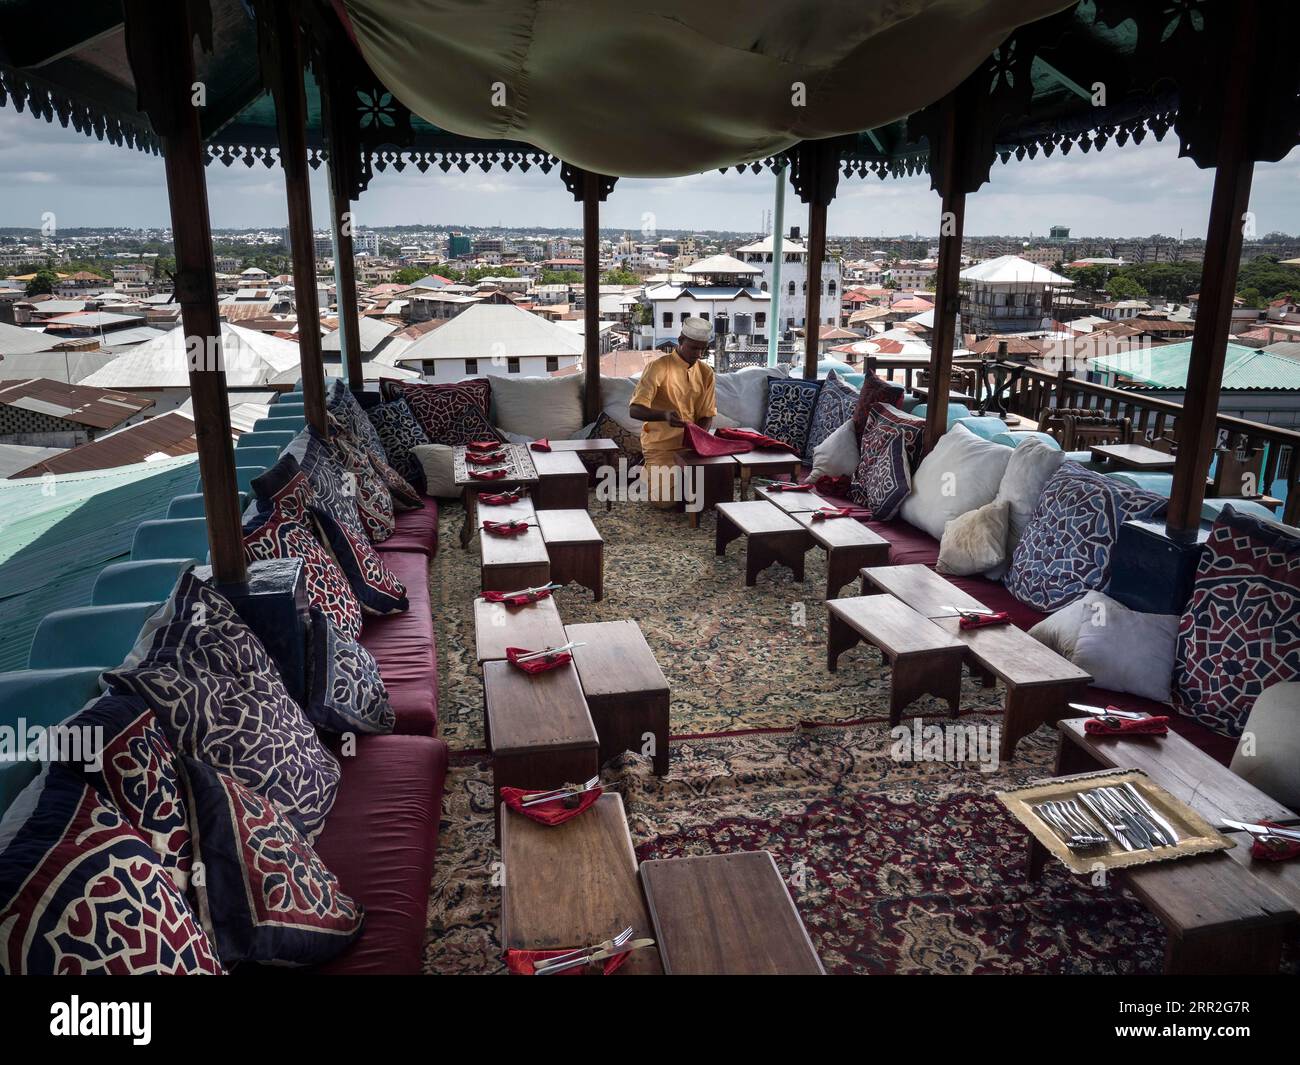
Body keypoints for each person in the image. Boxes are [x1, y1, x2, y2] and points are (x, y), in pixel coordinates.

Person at [629, 317, 717, 508]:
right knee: (665, 502)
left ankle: (673, 477)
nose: (698, 354)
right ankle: (647, 470)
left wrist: (699, 441)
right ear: (680, 340)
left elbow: (707, 415)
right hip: (661, 445)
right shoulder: (658, 367)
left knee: (713, 496)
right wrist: (664, 416)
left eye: (703, 349)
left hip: (691, 446)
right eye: (694, 348)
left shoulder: (706, 372)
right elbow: (634, 410)